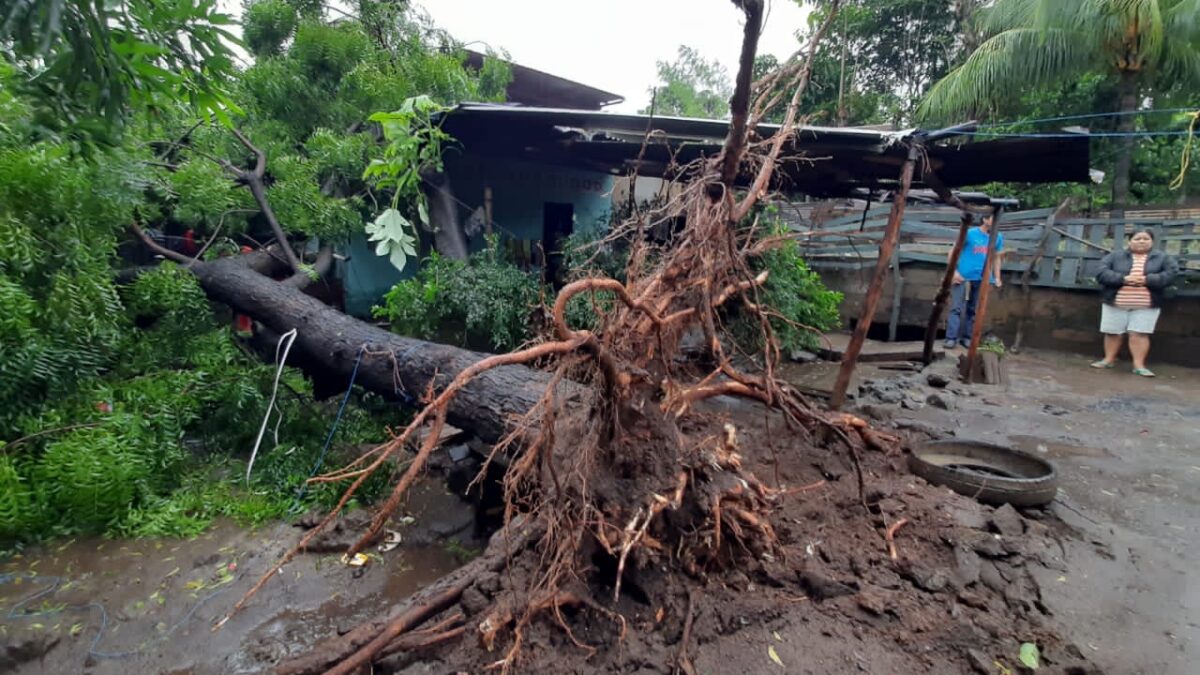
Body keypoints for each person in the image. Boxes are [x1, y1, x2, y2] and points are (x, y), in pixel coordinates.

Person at [1091, 229, 1178, 377]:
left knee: (1139, 334)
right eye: (1137, 238)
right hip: (1115, 302)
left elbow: (1171, 274)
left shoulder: (1163, 258)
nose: (1142, 241)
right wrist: (1123, 279)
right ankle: (1108, 359)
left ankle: (1139, 365)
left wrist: (1147, 280)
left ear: (1152, 241)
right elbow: (1101, 272)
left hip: (1146, 305)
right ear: (1129, 241)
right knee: (1112, 333)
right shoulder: (1115, 256)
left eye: (1146, 238)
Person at [944, 214, 1004, 349]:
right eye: (992, 218)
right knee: (956, 307)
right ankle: (951, 338)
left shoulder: (997, 237)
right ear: (984, 219)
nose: (995, 222)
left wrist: (997, 277)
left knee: (974, 309)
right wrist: (954, 272)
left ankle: (967, 338)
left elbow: (996, 258)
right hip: (963, 276)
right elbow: (953, 251)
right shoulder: (970, 234)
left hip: (983, 277)